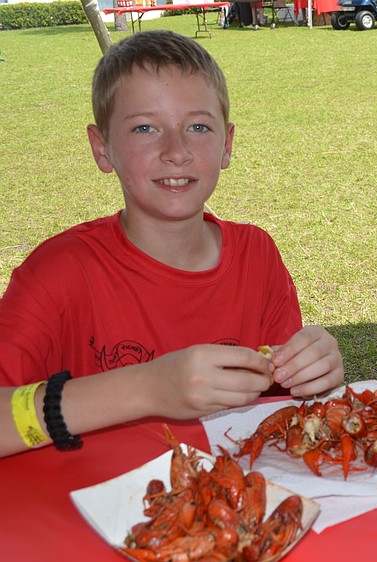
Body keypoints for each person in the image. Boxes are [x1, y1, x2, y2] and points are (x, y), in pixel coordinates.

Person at [0, 30, 345, 458]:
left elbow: (287, 405)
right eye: (145, 127)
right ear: (102, 148)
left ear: (227, 144)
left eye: (198, 126)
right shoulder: (59, 272)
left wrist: (314, 370)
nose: (176, 150)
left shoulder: (257, 256)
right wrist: (147, 388)